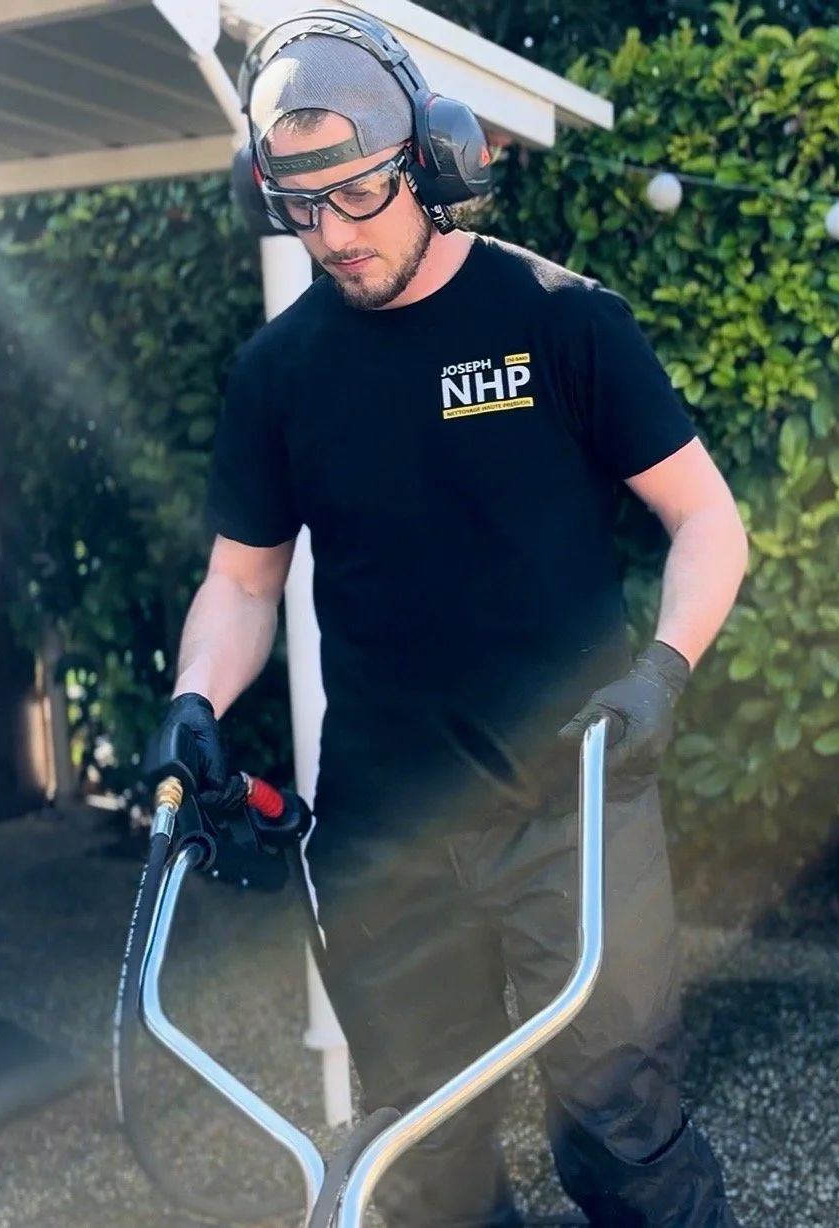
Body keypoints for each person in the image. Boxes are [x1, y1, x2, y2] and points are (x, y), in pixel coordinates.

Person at [147, 13, 749, 1227]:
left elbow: (706, 523)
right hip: (384, 835)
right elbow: (244, 583)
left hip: (572, 807)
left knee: (622, 1136)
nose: (333, 233)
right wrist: (194, 700)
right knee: (426, 1160)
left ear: (429, 159)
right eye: (300, 205)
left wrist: (661, 672)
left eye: (357, 193)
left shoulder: (560, 320)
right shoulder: (278, 375)